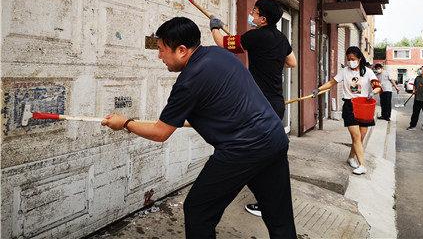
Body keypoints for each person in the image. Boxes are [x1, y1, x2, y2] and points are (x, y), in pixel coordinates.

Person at [101, 17, 296, 239]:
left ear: (182, 50)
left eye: (162, 50)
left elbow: (160, 133)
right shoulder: (220, 54)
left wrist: (125, 123)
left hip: (242, 149)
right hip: (274, 139)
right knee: (279, 217)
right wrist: (163, 122)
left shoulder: (188, 82)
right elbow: (217, 108)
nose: (159, 56)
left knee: (197, 209)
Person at [209, 0, 296, 217]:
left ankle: (265, 201)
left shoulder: (255, 36)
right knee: (272, 152)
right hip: (276, 103)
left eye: (254, 12)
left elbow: (224, 43)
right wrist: (272, 59)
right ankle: (271, 200)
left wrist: (214, 26)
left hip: (258, 105)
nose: (251, 14)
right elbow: (292, 62)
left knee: (252, 151)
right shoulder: (281, 38)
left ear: (263, 18)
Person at [316, 46, 382, 175]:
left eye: (353, 59)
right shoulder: (344, 71)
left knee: (361, 137)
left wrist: (373, 92)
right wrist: (318, 90)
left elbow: (377, 86)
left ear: (359, 58)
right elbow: (331, 83)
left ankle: (351, 157)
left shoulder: (367, 72)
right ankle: (362, 165)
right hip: (350, 105)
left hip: (364, 106)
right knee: (356, 136)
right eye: (348, 59)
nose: (350, 61)